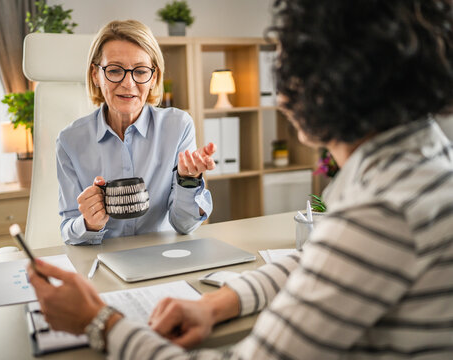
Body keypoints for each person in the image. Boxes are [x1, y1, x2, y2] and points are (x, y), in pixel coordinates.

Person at [29, 1, 453, 359]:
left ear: (331, 79)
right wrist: (218, 303)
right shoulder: (419, 158)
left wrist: (98, 320)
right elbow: (316, 261)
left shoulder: (381, 212)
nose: (282, 89)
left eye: (289, 60)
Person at [57, 20, 215, 245]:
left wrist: (188, 181)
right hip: (100, 264)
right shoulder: (69, 141)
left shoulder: (178, 126)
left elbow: (184, 225)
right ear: (95, 75)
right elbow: (68, 230)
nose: (128, 83)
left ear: (154, 78)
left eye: (140, 71)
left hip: (162, 259)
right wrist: (89, 224)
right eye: (114, 70)